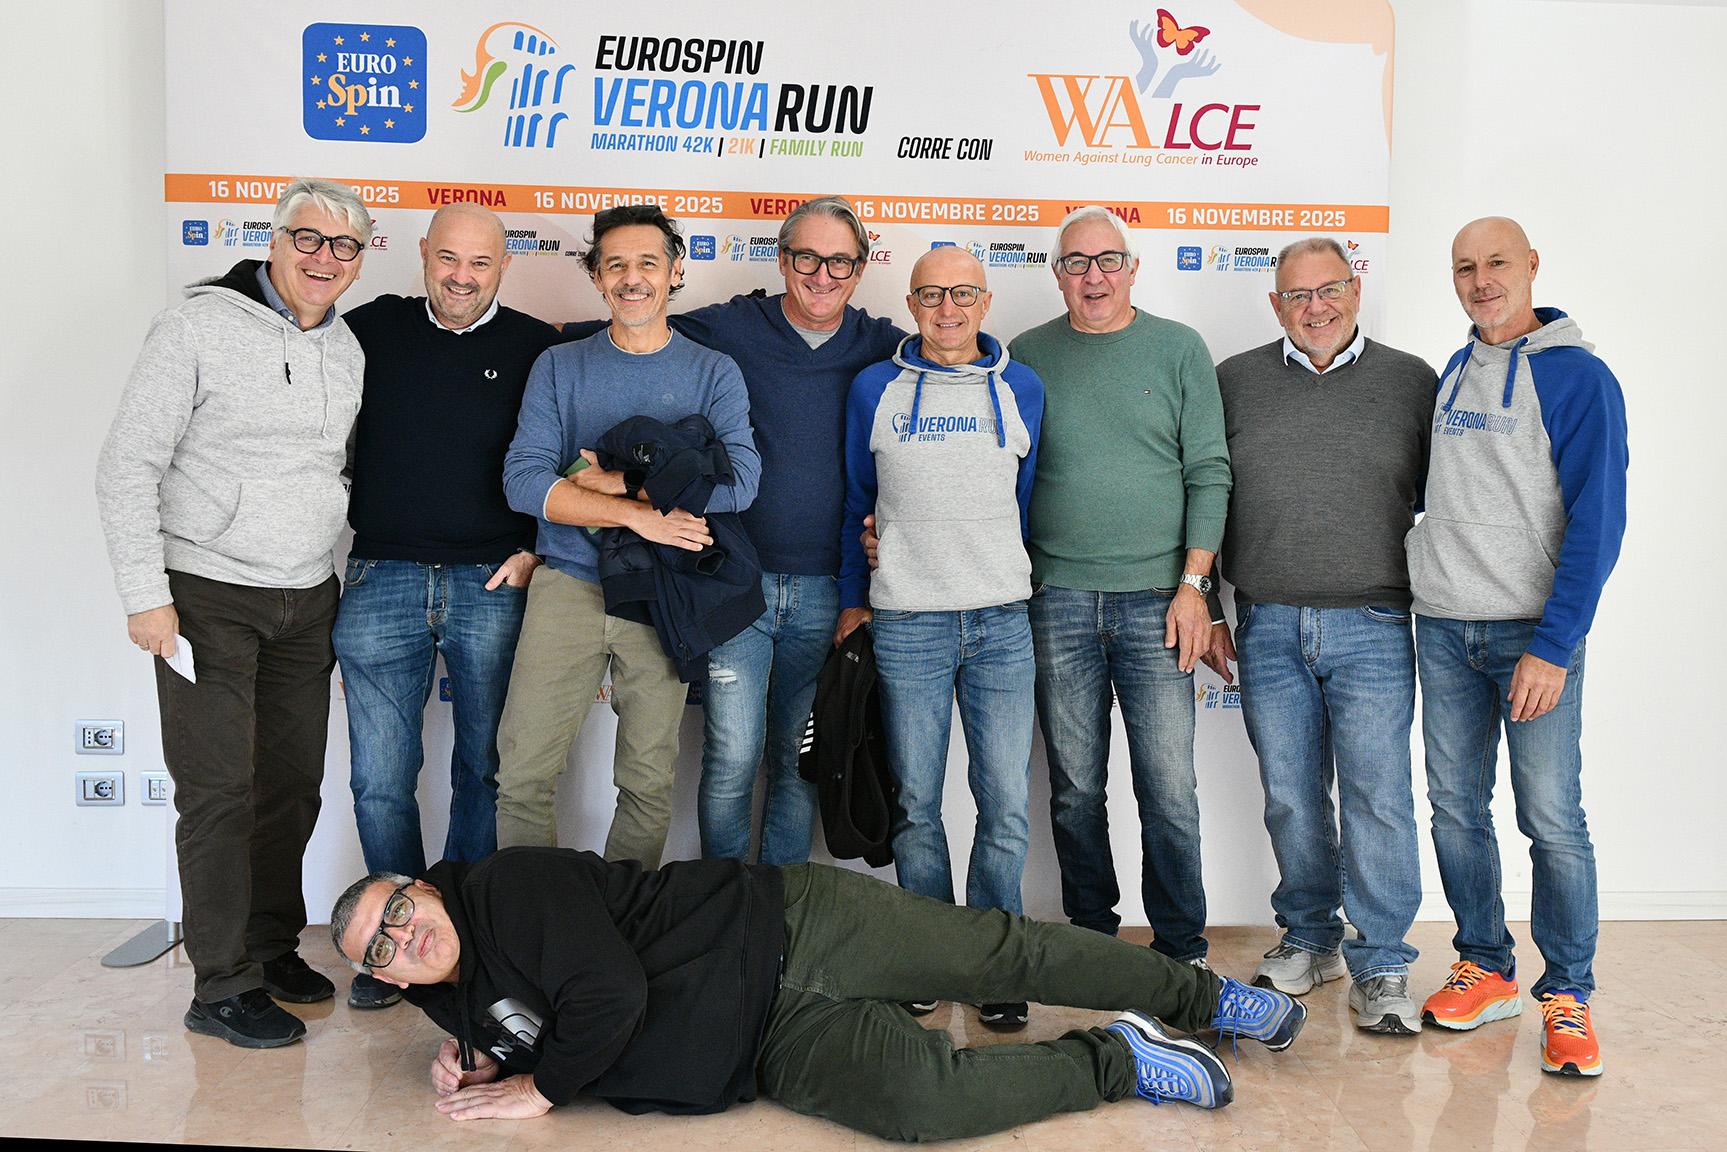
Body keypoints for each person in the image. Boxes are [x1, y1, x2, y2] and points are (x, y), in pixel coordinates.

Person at [329, 847, 1308, 1140]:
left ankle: (1201, 998)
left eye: (399, 910)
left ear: (424, 886)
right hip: (763, 1046)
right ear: (382, 977)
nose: (404, 937)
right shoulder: (446, 997)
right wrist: (490, 1057)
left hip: (790, 925)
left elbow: (608, 994)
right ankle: (1121, 1058)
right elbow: (535, 1014)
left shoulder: (504, 887)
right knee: (922, 1108)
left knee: (1000, 956)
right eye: (382, 948)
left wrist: (540, 1088)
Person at [95, 178, 371, 1047]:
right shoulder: (196, 327)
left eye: (344, 246)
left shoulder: (347, 347)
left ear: (360, 260)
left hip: (306, 596)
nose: (324, 258)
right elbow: (127, 463)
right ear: (275, 239)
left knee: (289, 787)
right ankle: (219, 985)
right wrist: (145, 595)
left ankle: (267, 947)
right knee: (218, 792)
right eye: (308, 238)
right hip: (206, 593)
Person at [564, 196, 905, 866]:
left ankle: (776, 907)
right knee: (729, 756)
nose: (822, 274)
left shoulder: (880, 346)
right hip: (731, 583)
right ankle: (721, 905)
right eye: (806, 257)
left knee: (795, 761)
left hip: (827, 592)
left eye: (839, 261)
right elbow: (634, 324)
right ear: (781, 259)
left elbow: (948, 360)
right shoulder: (733, 326)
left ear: (861, 269)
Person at [1409, 217, 1627, 1077]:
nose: (1480, 280)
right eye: (1464, 267)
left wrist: (1554, 645)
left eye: (1496, 262)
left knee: (1551, 818)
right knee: (1455, 809)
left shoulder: (1578, 378)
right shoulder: (1454, 369)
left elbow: (1597, 522)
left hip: (1530, 637)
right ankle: (1485, 966)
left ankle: (1566, 993)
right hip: (1443, 626)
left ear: (1530, 265)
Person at [333, 203, 565, 1010]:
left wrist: (537, 549)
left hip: (491, 581)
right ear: (423, 254)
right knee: (379, 779)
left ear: (504, 266)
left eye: (480, 263)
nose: (461, 278)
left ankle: (468, 936)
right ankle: (392, 947)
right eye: (448, 259)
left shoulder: (538, 348)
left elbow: (566, 460)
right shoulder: (367, 329)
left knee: (485, 770)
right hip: (381, 575)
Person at [1213, 237, 1438, 1034]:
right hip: (1266, 619)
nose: (1315, 307)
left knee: (1378, 797)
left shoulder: (1410, 381)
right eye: (1296, 294)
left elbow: (1441, 500)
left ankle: (1381, 963)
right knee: (1290, 794)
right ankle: (1310, 938)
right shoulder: (1233, 381)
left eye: (1329, 289)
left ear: (1355, 290)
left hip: (1374, 623)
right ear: (1276, 305)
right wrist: (1206, 601)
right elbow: (1203, 495)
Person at [494, 205, 759, 865]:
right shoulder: (559, 366)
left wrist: (617, 482)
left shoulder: (713, 371)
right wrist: (643, 513)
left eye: (647, 263)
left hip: (664, 594)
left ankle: (623, 915)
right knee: (523, 772)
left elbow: (740, 484)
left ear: (674, 272)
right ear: (596, 276)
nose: (632, 278)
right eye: (615, 265)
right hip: (568, 584)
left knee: (646, 781)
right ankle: (534, 913)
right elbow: (524, 482)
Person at [1006, 207, 1231, 965]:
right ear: (1057, 274)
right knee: (1074, 789)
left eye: (1108, 260)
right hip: (1056, 599)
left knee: (1168, 790)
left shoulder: (1178, 348)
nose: (1093, 276)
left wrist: (1195, 587)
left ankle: (1180, 949)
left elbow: (1209, 473)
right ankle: (1093, 942)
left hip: (1160, 602)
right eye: (1076, 262)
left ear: (1132, 269)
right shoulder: (1026, 355)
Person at [835, 246, 1043, 1029]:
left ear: (985, 302)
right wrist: (855, 596)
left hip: (1001, 622)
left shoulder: (1021, 387)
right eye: (930, 295)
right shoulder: (874, 388)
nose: (946, 308)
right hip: (908, 623)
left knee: (1004, 804)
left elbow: (1023, 502)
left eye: (961, 294)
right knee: (918, 803)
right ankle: (927, 954)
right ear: (911, 303)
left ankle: (992, 962)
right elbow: (855, 499)